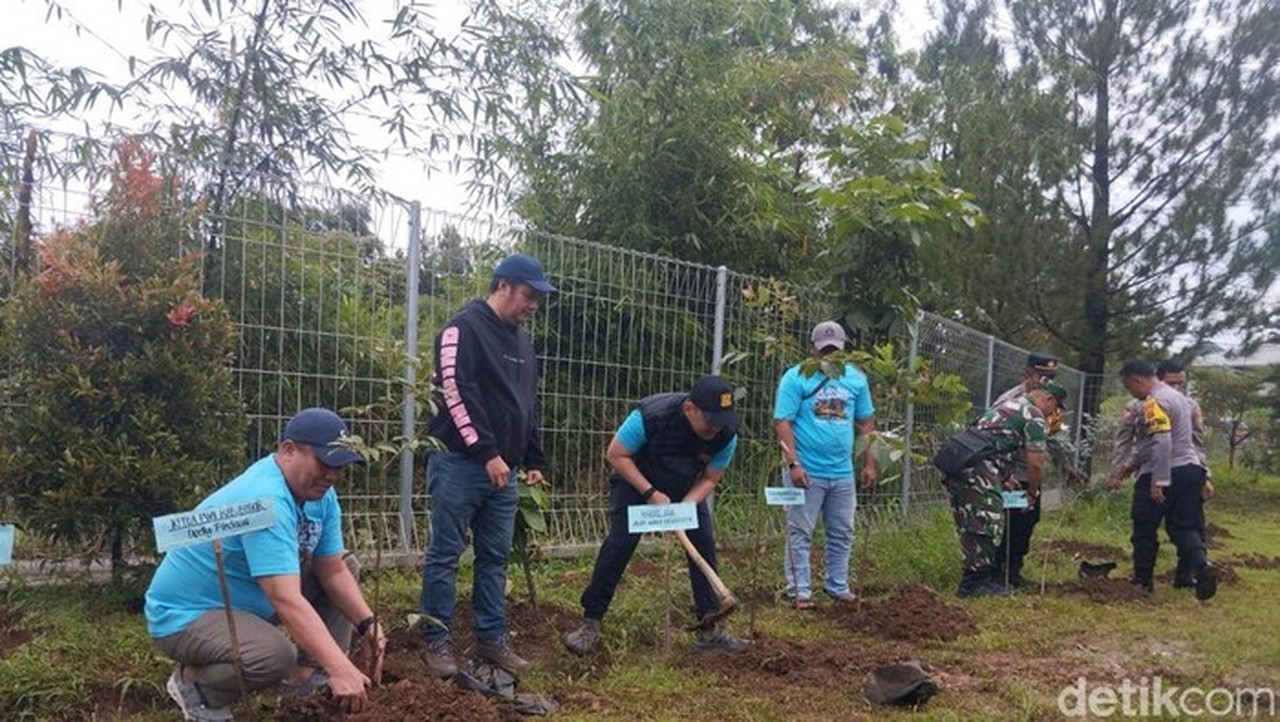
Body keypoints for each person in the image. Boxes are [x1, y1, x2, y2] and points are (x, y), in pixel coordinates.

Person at [145, 407, 387, 722]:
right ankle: (196, 689)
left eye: (339, 466)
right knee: (273, 656)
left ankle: (306, 678)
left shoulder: (319, 495)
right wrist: (339, 667)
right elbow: (284, 597)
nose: (332, 475)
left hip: (247, 601)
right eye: (324, 462)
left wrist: (368, 624)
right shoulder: (265, 499)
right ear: (288, 451)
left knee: (347, 564)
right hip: (186, 614)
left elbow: (333, 569)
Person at [420, 253, 554, 679]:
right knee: (445, 554)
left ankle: (491, 639)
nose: (532, 305)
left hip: (505, 471)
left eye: (537, 299)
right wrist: (487, 453)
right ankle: (436, 640)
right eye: (528, 295)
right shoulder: (463, 329)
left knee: (494, 557)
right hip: (460, 463)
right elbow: (455, 393)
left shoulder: (521, 341)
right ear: (502, 287)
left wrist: (532, 456)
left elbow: (525, 404)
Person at [563, 375, 751, 656]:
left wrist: (687, 504)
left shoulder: (726, 434)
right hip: (636, 483)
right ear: (690, 409)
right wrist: (650, 493)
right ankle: (590, 621)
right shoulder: (652, 416)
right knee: (619, 546)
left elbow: (711, 478)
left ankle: (709, 628)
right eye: (710, 420)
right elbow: (616, 455)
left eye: (722, 420)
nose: (716, 428)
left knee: (703, 544)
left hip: (686, 488)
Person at [773, 321, 877, 608]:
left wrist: (869, 463)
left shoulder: (856, 379)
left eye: (835, 351)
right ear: (812, 349)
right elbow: (783, 421)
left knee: (842, 531)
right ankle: (800, 591)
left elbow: (867, 421)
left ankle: (837, 586)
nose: (829, 356)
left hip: (842, 472)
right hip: (807, 470)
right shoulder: (796, 378)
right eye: (824, 350)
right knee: (800, 531)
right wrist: (793, 463)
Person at [946, 384, 1065, 597]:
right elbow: (1036, 463)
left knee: (973, 521)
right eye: (1055, 407)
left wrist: (1005, 477)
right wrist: (1033, 492)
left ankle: (980, 579)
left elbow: (993, 441)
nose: (1054, 413)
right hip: (979, 469)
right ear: (1047, 399)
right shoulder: (1034, 415)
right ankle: (974, 585)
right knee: (986, 522)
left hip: (962, 463)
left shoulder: (1008, 406)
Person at [1110, 360, 1216, 599]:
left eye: (1129, 387)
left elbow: (1162, 441)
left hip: (1166, 470)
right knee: (1184, 525)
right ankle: (1202, 565)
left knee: (1144, 527)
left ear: (1138, 381)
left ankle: (1143, 581)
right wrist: (1132, 464)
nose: (1131, 393)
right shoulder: (1182, 400)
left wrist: (1159, 480)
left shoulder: (1153, 402)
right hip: (1191, 469)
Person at [989, 354, 1082, 588]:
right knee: (1012, 522)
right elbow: (991, 437)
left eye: (1052, 377)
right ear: (1028, 375)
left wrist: (1065, 466)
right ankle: (1000, 574)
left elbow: (1051, 440)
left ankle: (1013, 572)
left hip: (1030, 475)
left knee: (1028, 520)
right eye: (1043, 376)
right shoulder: (1009, 401)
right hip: (1012, 475)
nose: (1048, 381)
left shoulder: (1049, 403)